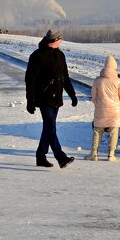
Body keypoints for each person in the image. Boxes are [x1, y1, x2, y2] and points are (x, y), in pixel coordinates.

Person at [25, 29, 78, 168]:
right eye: (60, 39)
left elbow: (65, 78)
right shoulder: (37, 56)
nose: (61, 41)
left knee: (48, 129)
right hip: (44, 98)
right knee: (50, 127)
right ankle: (61, 157)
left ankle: (40, 156)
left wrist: (72, 95)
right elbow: (30, 80)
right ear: (54, 41)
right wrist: (30, 100)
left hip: (57, 98)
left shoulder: (60, 55)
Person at [89, 55, 120, 161]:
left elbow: (93, 97)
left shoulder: (97, 80)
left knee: (97, 131)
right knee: (113, 132)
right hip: (115, 112)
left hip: (100, 111)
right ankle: (111, 155)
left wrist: (99, 103)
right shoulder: (118, 81)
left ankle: (94, 154)